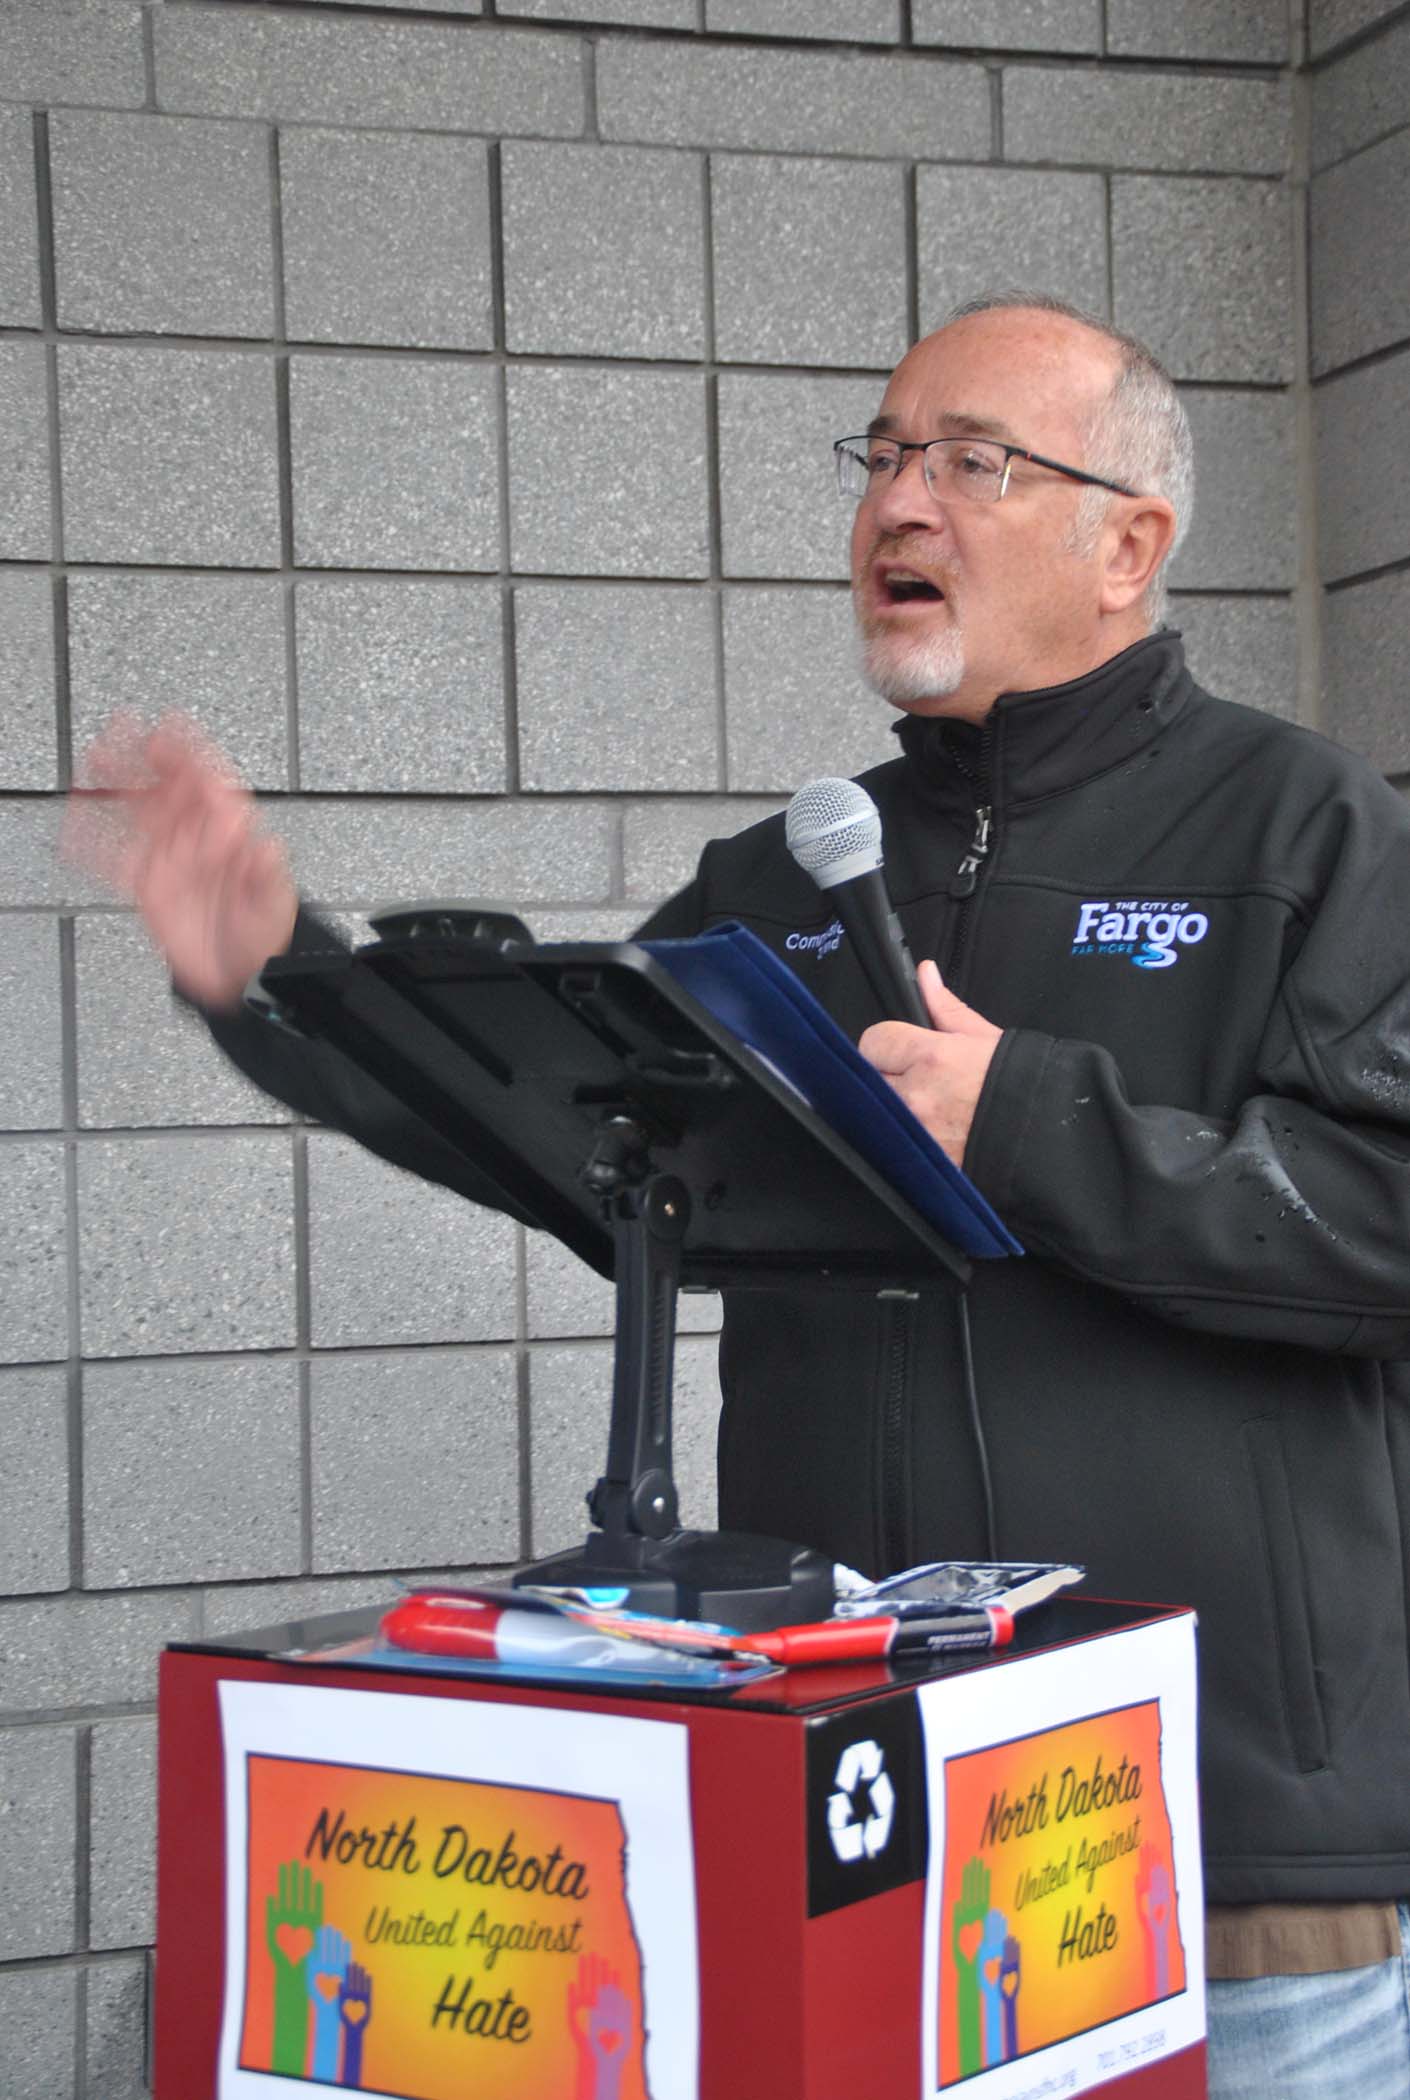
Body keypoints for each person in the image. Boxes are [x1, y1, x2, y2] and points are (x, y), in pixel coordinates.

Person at [70, 293, 1410, 2097]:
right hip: (862, 1834)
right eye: (881, 457)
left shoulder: (1304, 833)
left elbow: (1379, 1225)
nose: (898, 505)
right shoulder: (774, 874)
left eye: (972, 461)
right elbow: (574, 1143)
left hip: (1221, 1856)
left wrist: (1020, 1112)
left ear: (1128, 547)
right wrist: (286, 987)